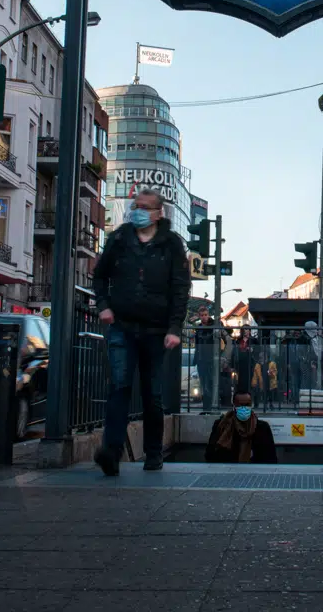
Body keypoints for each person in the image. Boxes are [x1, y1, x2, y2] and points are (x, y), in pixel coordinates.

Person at [91, 189, 191, 477]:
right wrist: (104, 305)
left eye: (144, 207)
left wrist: (174, 328)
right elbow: (100, 276)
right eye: (136, 206)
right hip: (122, 325)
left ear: (159, 213)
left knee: (153, 394)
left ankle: (154, 453)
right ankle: (111, 451)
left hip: (156, 331)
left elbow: (180, 288)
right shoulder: (120, 238)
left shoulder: (171, 244)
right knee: (119, 387)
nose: (138, 210)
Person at [205, 393, 278, 464]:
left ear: (251, 405)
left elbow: (271, 458)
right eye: (240, 405)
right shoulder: (222, 425)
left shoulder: (262, 427)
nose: (244, 408)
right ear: (234, 406)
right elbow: (210, 455)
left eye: (247, 405)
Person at [192, 303, 219, 412]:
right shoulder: (199, 328)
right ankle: (206, 407)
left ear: (208, 315)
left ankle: (210, 406)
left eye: (205, 315)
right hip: (201, 359)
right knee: (204, 384)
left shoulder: (213, 325)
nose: (204, 317)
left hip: (211, 358)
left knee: (210, 383)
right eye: (202, 315)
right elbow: (197, 344)